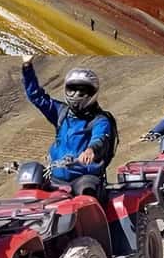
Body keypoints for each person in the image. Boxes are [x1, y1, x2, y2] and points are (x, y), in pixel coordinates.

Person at [20, 55, 115, 198]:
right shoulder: (61, 112)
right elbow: (37, 97)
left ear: (93, 93)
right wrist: (27, 66)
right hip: (55, 178)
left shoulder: (100, 120)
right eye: (72, 89)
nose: (77, 94)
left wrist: (91, 150)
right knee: (32, 197)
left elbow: (100, 137)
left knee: (87, 196)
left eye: (82, 90)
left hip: (84, 178)